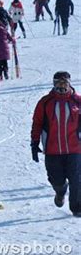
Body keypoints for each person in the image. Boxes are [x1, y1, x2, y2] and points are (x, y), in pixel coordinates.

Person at [31, 71, 81, 217]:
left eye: (64, 83)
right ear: (53, 84)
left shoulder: (78, 101)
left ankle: (77, 208)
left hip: (75, 149)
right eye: (58, 83)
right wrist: (34, 143)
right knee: (56, 179)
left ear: (69, 83)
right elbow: (37, 123)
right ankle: (60, 191)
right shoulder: (45, 102)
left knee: (76, 178)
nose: (61, 86)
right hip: (52, 150)